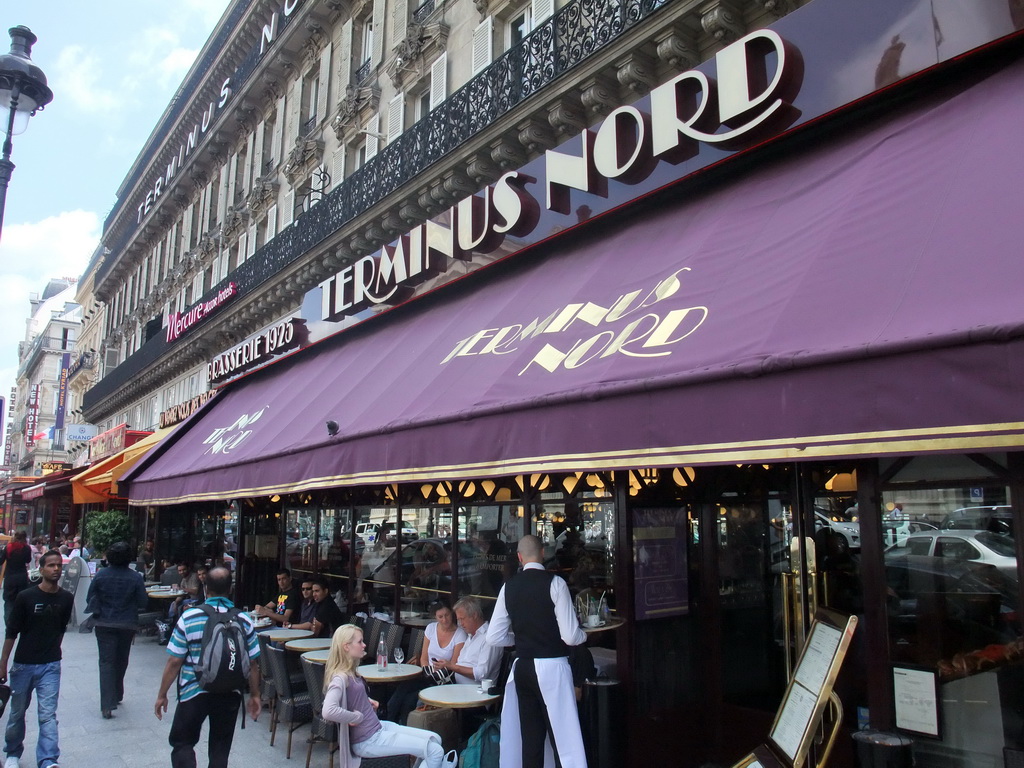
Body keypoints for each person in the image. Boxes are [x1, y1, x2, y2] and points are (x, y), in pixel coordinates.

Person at [488, 535, 587, 768]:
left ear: (519, 558)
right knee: (563, 739)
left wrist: (519, 638)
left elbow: (494, 637)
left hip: (522, 667)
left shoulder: (508, 587)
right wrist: (585, 634)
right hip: (553, 665)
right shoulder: (556, 583)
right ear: (543, 553)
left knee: (530, 740)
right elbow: (570, 636)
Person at [154, 566, 261, 768]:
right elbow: (253, 663)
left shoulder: (190, 617)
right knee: (220, 748)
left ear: (206, 589)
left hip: (193, 692)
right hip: (230, 692)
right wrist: (255, 694)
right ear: (230, 589)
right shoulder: (244, 620)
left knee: (183, 743)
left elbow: (174, 661)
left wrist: (162, 694)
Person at [322, 624, 444, 768]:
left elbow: (349, 697)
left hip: (378, 727)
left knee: (435, 739)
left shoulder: (350, 672)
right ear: (346, 647)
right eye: (360, 642)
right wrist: (356, 717)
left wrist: (366, 701)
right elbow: (328, 710)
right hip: (368, 740)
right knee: (435, 751)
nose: (364, 645)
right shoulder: (341, 677)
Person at [0, 550, 74, 768]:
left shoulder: (66, 598)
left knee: (48, 714)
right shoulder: (26, 597)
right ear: (40, 569)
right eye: (51, 565)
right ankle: (13, 752)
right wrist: (3, 663)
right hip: (23, 665)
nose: (56, 569)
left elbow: (61, 629)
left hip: (51, 664)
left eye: (59, 565)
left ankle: (48, 759)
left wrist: (53, 651)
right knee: (17, 711)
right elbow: (12, 632)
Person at [86, 541, 149, 719]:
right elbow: (143, 602)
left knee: (106, 662)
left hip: (104, 623)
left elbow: (89, 597)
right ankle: (117, 692)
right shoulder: (135, 577)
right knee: (121, 659)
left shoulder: (101, 575)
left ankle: (107, 703)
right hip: (126, 623)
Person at [388, 600, 467, 723]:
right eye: (440, 617)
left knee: (410, 696)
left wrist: (438, 670)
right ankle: (390, 719)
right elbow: (424, 658)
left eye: (447, 615)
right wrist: (428, 671)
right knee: (404, 688)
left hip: (444, 678)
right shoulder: (431, 628)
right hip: (427, 673)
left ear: (452, 614)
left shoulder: (460, 634)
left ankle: (396, 721)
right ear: (435, 617)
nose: (444, 620)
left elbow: (454, 664)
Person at [432, 597, 502, 686]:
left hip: (477, 693)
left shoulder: (489, 638)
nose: (460, 624)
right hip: (457, 687)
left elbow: (482, 674)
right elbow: (461, 664)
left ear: (474, 615)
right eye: (458, 620)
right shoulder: (470, 636)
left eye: (462, 619)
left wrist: (451, 666)